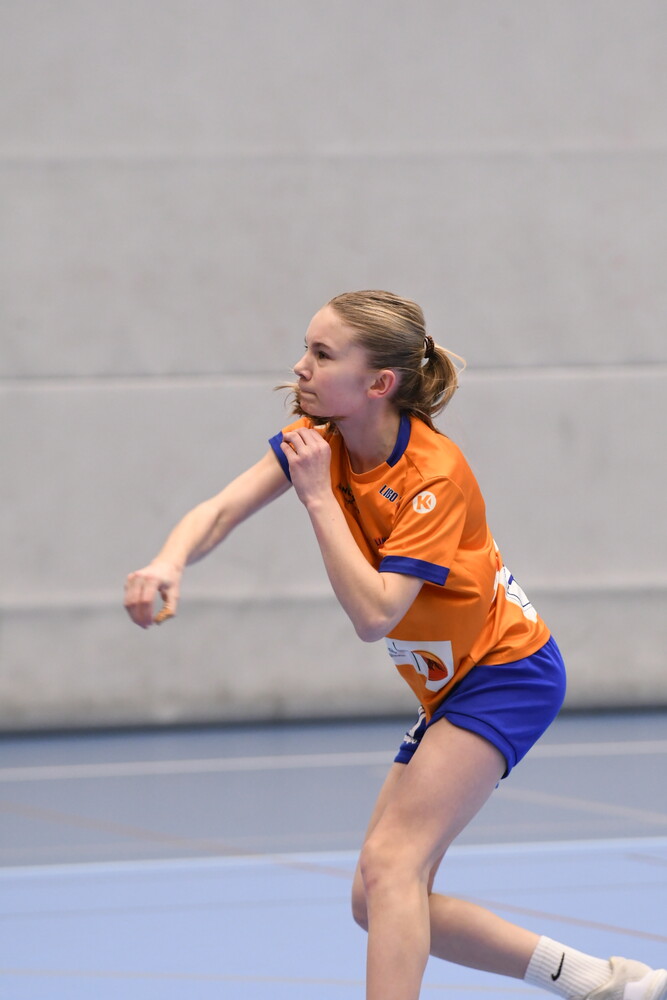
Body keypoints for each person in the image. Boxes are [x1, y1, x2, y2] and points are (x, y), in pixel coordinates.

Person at [124, 290, 666, 1000]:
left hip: (506, 672)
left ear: (378, 382)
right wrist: (169, 561)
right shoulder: (319, 437)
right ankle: (600, 982)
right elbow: (221, 509)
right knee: (375, 896)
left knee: (390, 866)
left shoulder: (431, 477)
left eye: (322, 354)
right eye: (306, 348)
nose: (300, 366)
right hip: (449, 683)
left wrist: (318, 498)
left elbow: (375, 613)